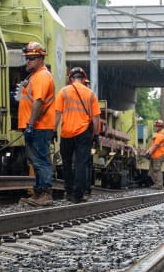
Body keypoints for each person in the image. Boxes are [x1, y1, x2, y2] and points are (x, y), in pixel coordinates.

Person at [17, 41, 56, 206]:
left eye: (32, 58)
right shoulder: (36, 76)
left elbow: (38, 102)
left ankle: (45, 194)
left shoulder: (41, 76)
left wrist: (31, 124)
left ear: (41, 59)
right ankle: (39, 192)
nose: (28, 61)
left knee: (40, 159)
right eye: (27, 58)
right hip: (37, 126)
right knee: (36, 159)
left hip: (39, 126)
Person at [54, 67, 101, 203]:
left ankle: (68, 191)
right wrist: (96, 134)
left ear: (71, 78)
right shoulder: (91, 94)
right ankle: (78, 194)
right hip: (83, 132)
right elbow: (96, 118)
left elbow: (57, 113)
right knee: (81, 163)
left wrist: (53, 131)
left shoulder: (63, 92)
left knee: (67, 163)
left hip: (66, 133)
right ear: (84, 79)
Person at [145, 119, 164, 189]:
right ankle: (156, 184)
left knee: (157, 170)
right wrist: (148, 151)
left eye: (157, 126)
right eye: (155, 126)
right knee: (151, 171)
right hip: (154, 155)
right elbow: (152, 145)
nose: (155, 127)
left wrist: (149, 153)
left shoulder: (160, 136)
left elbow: (155, 146)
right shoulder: (157, 135)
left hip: (158, 155)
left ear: (160, 127)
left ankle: (159, 185)